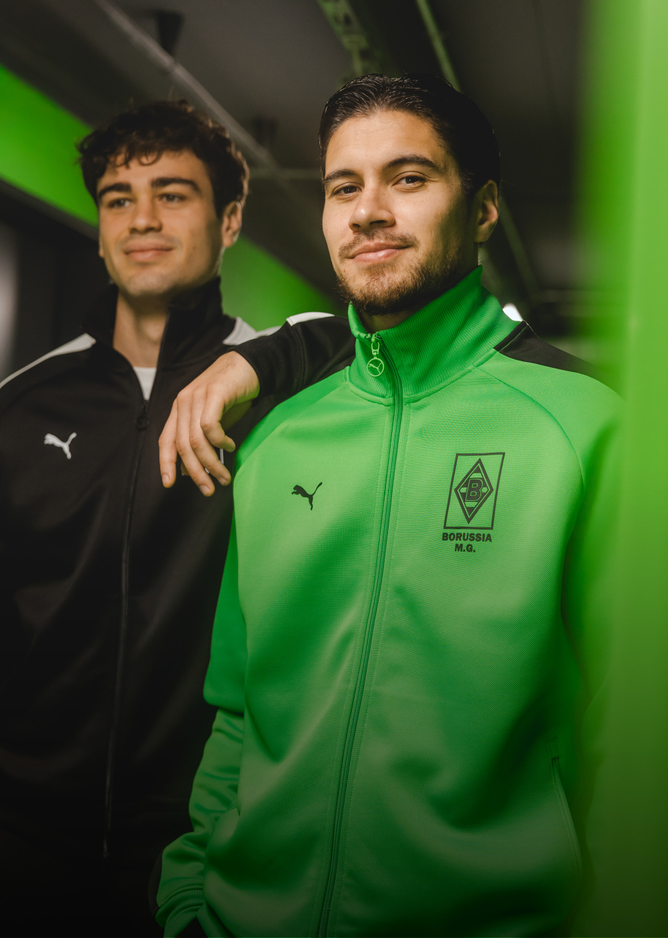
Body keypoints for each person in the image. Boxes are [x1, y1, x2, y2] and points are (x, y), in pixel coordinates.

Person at [155, 74, 620, 938]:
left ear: (482, 209)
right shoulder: (278, 437)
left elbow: (635, 745)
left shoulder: (584, 427)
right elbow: (240, 709)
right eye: (343, 187)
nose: (367, 211)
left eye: (408, 178)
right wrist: (191, 894)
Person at [0, 99, 352, 938]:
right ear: (97, 229)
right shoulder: (22, 404)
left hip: (204, 834)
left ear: (231, 220)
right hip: (24, 836)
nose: (142, 219)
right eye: (119, 199)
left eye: (173, 194)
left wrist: (254, 361)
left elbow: (373, 335)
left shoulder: (284, 398)